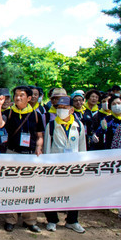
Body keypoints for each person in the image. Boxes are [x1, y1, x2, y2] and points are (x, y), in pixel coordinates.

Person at [0, 86, 45, 233]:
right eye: (16, 95)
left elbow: (40, 135)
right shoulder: (9, 112)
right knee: (11, 188)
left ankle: (30, 221)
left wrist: (39, 147)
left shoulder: (36, 115)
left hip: (30, 155)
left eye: (21, 95)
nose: (18, 98)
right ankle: (11, 219)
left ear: (29, 98)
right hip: (12, 153)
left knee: (30, 189)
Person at [43, 96, 87, 233]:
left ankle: (72, 220)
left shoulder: (78, 125)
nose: (61, 110)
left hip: (73, 166)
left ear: (71, 110)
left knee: (75, 193)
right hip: (55, 166)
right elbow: (46, 147)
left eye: (64, 108)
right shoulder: (51, 125)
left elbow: (82, 147)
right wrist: (47, 166)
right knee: (52, 192)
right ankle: (52, 220)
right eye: (59, 108)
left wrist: (82, 164)